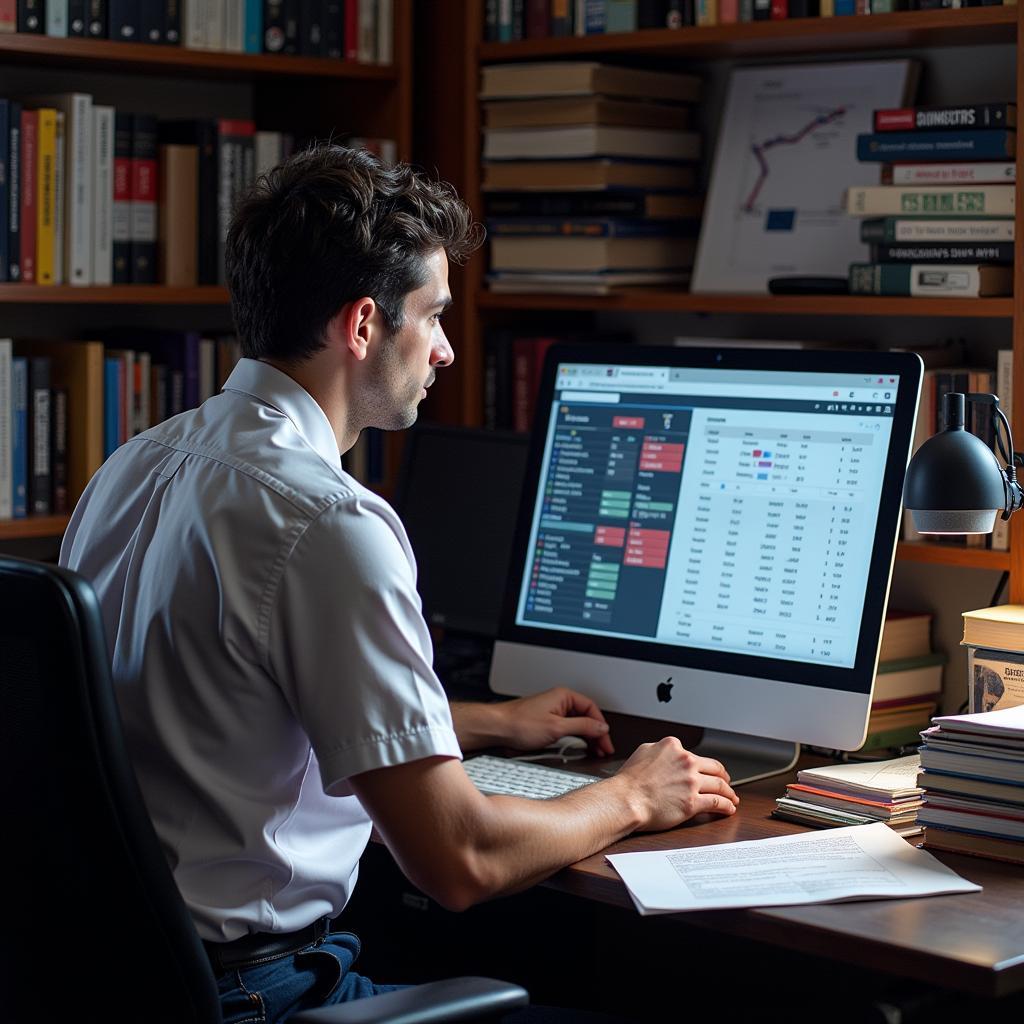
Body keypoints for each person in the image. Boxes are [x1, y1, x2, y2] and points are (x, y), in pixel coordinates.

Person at [59, 145, 739, 1024]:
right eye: (435, 316)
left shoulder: (133, 466)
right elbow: (460, 861)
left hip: (112, 979)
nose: (448, 351)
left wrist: (485, 721)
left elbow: (214, 705)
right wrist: (634, 795)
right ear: (365, 326)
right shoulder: (328, 523)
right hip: (257, 995)